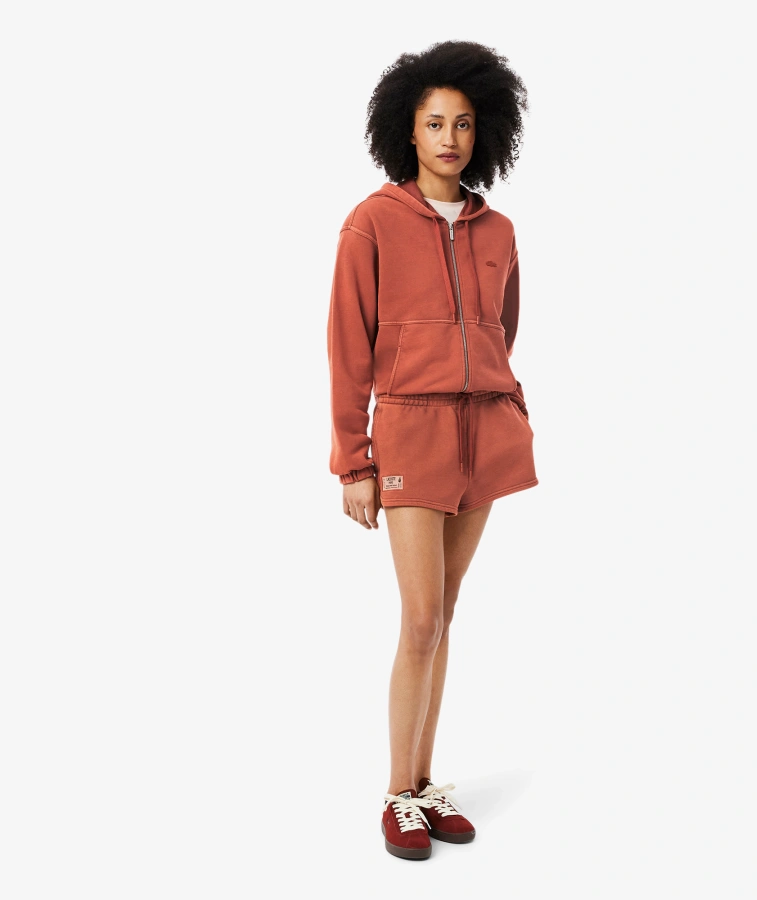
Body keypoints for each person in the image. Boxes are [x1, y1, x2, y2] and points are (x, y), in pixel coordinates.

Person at [326, 40, 538, 860]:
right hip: (411, 432)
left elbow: (501, 330)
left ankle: (423, 785)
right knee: (419, 617)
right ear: (406, 132)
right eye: (434, 123)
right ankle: (396, 793)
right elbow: (348, 347)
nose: (450, 138)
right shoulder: (373, 223)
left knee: (444, 616)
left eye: (464, 124)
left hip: (486, 434)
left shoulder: (500, 230)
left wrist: (501, 400)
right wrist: (354, 460)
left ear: (484, 133)